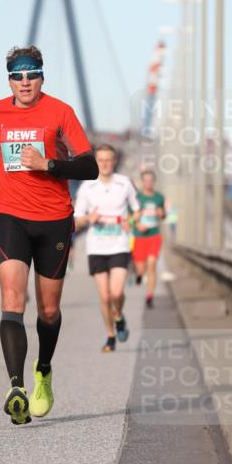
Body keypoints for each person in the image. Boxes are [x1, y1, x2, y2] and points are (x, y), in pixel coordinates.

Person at [0, 45, 97, 425]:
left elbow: (89, 165)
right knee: (12, 299)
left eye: (32, 73)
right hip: (10, 215)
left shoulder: (60, 112)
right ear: (9, 79)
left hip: (54, 219)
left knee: (49, 310)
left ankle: (43, 370)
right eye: (17, 75)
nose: (25, 82)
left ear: (42, 76)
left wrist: (50, 164)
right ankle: (16, 387)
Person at [74, 144, 139, 352]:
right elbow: (76, 220)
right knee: (104, 297)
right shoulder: (87, 187)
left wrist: (131, 220)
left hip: (119, 243)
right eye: (100, 160)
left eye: (108, 159)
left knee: (116, 292)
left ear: (114, 161)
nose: (104, 163)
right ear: (96, 162)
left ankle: (118, 315)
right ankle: (110, 336)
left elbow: (137, 210)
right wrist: (87, 218)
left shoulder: (125, 183)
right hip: (97, 247)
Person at [132, 168, 166, 309]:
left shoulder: (159, 197)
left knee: (152, 265)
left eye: (151, 180)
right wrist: (137, 223)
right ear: (142, 182)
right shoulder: (136, 198)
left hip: (154, 235)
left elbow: (163, 215)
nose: (148, 183)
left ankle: (149, 296)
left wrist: (161, 213)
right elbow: (130, 218)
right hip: (139, 237)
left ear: (154, 182)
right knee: (141, 268)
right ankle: (139, 274)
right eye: (146, 180)